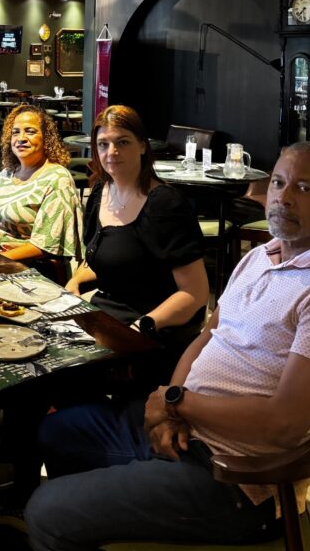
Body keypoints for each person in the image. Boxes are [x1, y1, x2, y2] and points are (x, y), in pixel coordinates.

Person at [24, 142, 310, 551]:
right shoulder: (261, 256)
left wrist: (176, 403)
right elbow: (208, 336)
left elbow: (283, 425)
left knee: (45, 513)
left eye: (305, 188)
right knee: (57, 433)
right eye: (278, 183)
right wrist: (169, 411)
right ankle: (103, 542)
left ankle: (80, 535)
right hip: (190, 435)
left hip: (235, 482)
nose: (284, 197)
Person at [65, 105, 208, 377]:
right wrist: (75, 282)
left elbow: (195, 293)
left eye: (123, 142)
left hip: (152, 327)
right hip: (107, 315)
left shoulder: (165, 205)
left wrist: (143, 326)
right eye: (103, 144)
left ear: (142, 146)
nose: (112, 152)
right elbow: (108, 258)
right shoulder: (100, 192)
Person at [0, 105, 82, 266]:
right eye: (15, 132)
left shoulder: (57, 178)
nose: (21, 138)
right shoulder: (6, 174)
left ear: (46, 137)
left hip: (24, 265)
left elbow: (46, 245)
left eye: (30, 131)